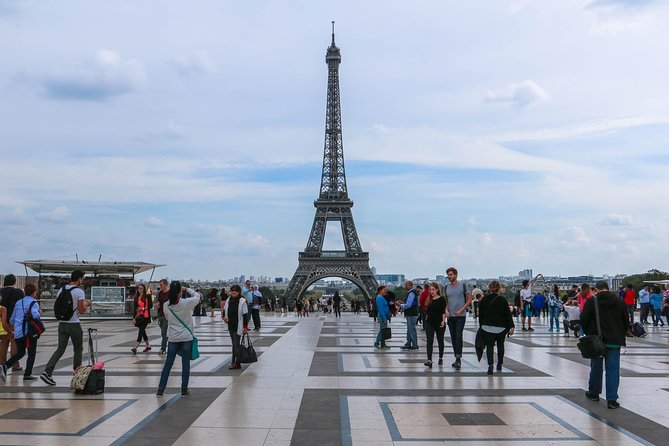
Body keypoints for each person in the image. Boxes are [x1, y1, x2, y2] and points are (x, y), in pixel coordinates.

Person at [581, 281, 629, 409]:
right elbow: (626, 322)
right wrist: (620, 334)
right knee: (613, 369)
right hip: (614, 341)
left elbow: (584, 319)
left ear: (596, 289)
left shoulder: (593, 301)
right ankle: (612, 399)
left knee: (596, 366)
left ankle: (594, 393)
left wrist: (589, 333)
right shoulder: (619, 302)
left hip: (597, 341)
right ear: (608, 288)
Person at [41, 270, 91, 386]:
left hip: (62, 324)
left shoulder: (62, 289)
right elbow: (81, 311)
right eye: (82, 278)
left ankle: (47, 371)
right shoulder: (79, 291)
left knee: (60, 349)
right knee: (78, 350)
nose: (82, 280)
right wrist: (87, 304)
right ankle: (77, 376)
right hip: (74, 324)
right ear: (79, 279)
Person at [157, 281, 200, 397]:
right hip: (186, 337)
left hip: (173, 338)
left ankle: (160, 390)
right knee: (185, 364)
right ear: (180, 292)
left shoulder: (166, 305)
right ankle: (184, 389)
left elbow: (167, 317)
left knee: (168, 364)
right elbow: (198, 296)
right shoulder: (187, 303)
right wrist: (188, 290)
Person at [0, 283, 42, 381]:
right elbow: (35, 315)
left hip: (19, 333)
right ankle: (27, 374)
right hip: (29, 333)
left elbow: (12, 319)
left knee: (20, 352)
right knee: (31, 353)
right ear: (33, 292)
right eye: (35, 291)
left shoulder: (19, 302)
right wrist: (39, 312)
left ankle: (5, 366)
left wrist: (12, 328)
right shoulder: (33, 302)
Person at [478, 280, 514, 375]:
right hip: (501, 327)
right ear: (499, 288)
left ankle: (490, 365)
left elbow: (481, 314)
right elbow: (507, 314)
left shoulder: (484, 299)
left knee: (489, 346)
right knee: (500, 345)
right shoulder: (502, 300)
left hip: (487, 327)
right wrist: (511, 326)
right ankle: (500, 364)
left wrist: (481, 325)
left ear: (489, 288)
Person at [444, 267, 472, 369]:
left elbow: (469, 300)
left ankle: (458, 358)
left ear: (456, 275)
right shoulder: (446, 287)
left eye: (451, 274)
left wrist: (462, 310)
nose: (449, 276)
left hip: (460, 316)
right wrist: (446, 310)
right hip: (450, 316)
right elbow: (446, 301)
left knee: (458, 335)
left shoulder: (463, 286)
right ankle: (456, 356)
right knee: (453, 337)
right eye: (448, 275)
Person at [0, 274, 24, 373]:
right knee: (14, 342)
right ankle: (15, 364)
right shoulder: (17, 292)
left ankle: (1, 363)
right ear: (14, 282)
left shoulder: (0, 291)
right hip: (14, 321)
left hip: (1, 321)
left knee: (4, 342)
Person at [222, 284, 249, 370]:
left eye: (235, 291)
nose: (233, 293)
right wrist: (224, 318)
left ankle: (236, 362)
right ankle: (234, 362)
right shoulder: (228, 300)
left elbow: (245, 315)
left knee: (236, 345)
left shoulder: (242, 301)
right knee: (234, 344)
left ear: (238, 292)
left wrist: (245, 327)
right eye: (232, 291)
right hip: (230, 325)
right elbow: (224, 311)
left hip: (238, 325)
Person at [423, 283, 446, 368]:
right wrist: (426, 318)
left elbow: (443, 311)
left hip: (439, 322)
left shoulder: (442, 299)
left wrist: (443, 321)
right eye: (430, 289)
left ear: (437, 290)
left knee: (440, 341)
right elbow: (427, 310)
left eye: (433, 289)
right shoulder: (429, 299)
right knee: (429, 341)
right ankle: (429, 360)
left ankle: (440, 357)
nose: (432, 291)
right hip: (430, 323)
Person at [398, 281, 419, 350]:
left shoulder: (411, 293)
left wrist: (400, 305)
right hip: (412, 313)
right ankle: (409, 343)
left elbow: (408, 305)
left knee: (411, 330)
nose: (405, 286)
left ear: (410, 285)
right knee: (410, 330)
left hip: (411, 314)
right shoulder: (413, 293)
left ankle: (414, 345)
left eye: (406, 285)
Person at [131, 283, 153, 354]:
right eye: (138, 288)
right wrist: (133, 318)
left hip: (145, 317)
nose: (139, 289)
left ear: (144, 289)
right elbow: (135, 308)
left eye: (141, 288)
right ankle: (148, 346)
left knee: (141, 331)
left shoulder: (147, 296)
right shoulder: (136, 297)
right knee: (143, 331)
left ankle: (135, 347)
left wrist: (143, 308)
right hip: (139, 317)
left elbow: (150, 306)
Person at [155, 279, 170, 355]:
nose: (160, 286)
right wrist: (157, 304)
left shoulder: (170, 293)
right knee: (164, 332)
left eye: (161, 285)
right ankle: (171, 344)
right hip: (160, 314)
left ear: (165, 284)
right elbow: (157, 301)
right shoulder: (159, 293)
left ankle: (163, 348)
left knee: (164, 332)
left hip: (167, 315)